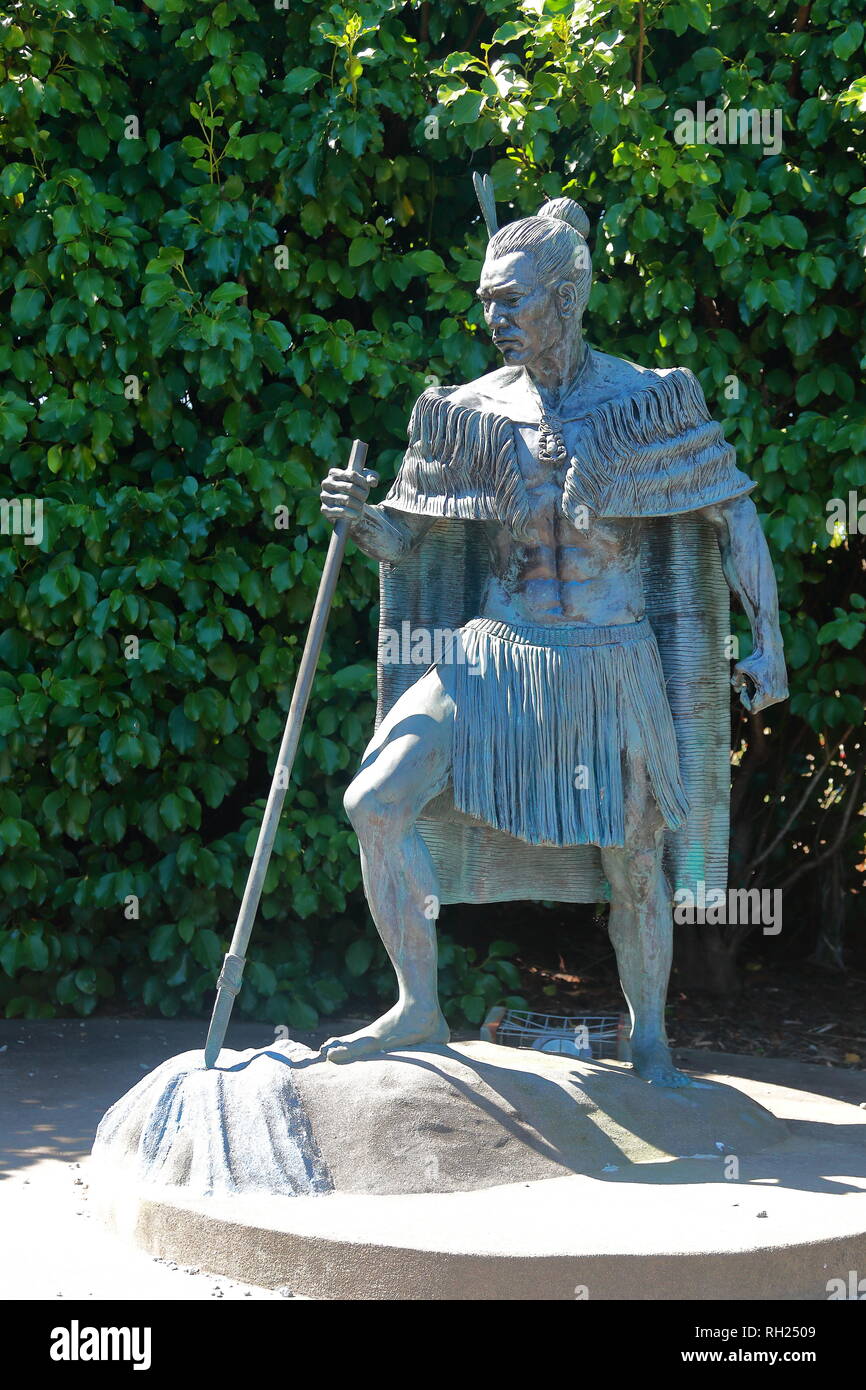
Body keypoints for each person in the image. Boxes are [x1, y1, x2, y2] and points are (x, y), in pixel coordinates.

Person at [318, 194, 787, 1085]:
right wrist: (361, 520)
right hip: (491, 656)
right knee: (375, 803)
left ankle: (648, 1037)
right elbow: (404, 539)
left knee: (637, 863)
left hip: (610, 669)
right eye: (486, 300)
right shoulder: (466, 412)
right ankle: (418, 1008)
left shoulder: (650, 402)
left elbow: (735, 516)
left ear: (566, 299)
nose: (489, 318)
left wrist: (769, 639)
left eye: (509, 301)